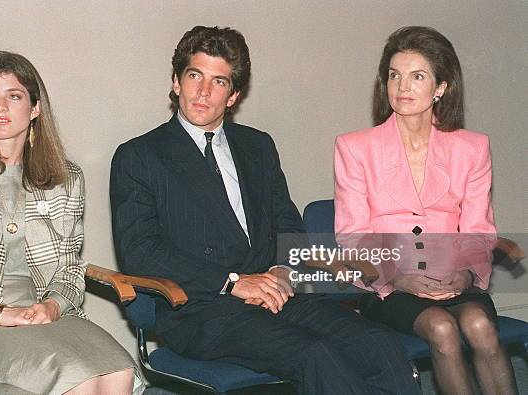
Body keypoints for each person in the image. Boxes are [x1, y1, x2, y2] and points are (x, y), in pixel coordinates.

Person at [111, 26, 419, 394]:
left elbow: (286, 223)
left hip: (277, 292)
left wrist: (283, 271)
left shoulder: (257, 146)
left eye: (219, 82)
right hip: (203, 310)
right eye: (195, 76)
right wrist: (234, 283)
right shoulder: (140, 156)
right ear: (176, 82)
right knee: (315, 354)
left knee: (377, 343)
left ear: (234, 95)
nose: (203, 92)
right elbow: (141, 254)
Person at [0, 51, 143, 394]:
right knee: (77, 380)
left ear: (35, 108)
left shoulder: (65, 178)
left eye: (14, 96)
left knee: (119, 373)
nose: (1, 107)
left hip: (44, 313)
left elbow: (70, 267)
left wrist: (52, 305)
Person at [334, 26, 518, 394]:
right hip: (389, 285)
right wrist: (397, 277)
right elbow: (352, 235)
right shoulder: (355, 148)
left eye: (417, 76)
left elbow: (479, 229)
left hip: (455, 278)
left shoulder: (472, 148)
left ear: (441, 87)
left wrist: (465, 274)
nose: (402, 86)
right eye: (394, 75)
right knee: (442, 329)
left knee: (479, 326)